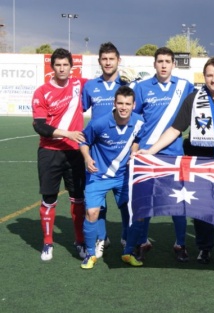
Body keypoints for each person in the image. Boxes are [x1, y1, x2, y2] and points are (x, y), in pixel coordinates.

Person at [136, 57, 214, 265]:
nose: (213, 79)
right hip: (200, 161)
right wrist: (151, 151)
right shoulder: (193, 99)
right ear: (204, 77)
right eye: (209, 75)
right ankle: (204, 248)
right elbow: (175, 128)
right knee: (203, 207)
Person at [130, 47, 195, 263]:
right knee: (145, 201)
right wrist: (135, 148)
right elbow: (135, 122)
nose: (164, 65)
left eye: (168, 61)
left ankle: (180, 244)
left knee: (178, 203)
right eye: (160, 61)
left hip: (175, 154)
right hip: (147, 155)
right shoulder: (141, 88)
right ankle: (142, 242)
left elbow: (200, 106)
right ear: (154, 64)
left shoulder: (185, 86)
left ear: (174, 64)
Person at [79, 86, 144, 269]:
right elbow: (84, 140)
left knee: (134, 213)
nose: (124, 107)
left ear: (134, 105)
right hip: (98, 175)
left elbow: (138, 139)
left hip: (123, 175)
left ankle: (128, 251)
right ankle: (90, 254)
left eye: (128, 104)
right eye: (120, 103)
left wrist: (133, 151)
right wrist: (87, 157)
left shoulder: (139, 121)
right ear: (114, 104)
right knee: (92, 212)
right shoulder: (99, 123)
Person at [31, 48, 87, 261]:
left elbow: (105, 85)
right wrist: (69, 133)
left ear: (71, 67)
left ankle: (80, 240)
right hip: (50, 152)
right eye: (58, 65)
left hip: (74, 153)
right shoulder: (42, 92)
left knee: (78, 199)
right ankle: (47, 243)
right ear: (52, 67)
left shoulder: (79, 85)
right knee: (49, 198)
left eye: (65, 65)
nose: (62, 69)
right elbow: (40, 126)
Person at [81, 42, 129, 258]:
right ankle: (102, 238)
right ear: (99, 61)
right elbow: (77, 110)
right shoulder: (90, 86)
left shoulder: (129, 85)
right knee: (98, 202)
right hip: (97, 153)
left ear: (119, 60)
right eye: (104, 59)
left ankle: (127, 238)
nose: (108, 62)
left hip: (121, 152)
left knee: (126, 203)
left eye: (112, 59)